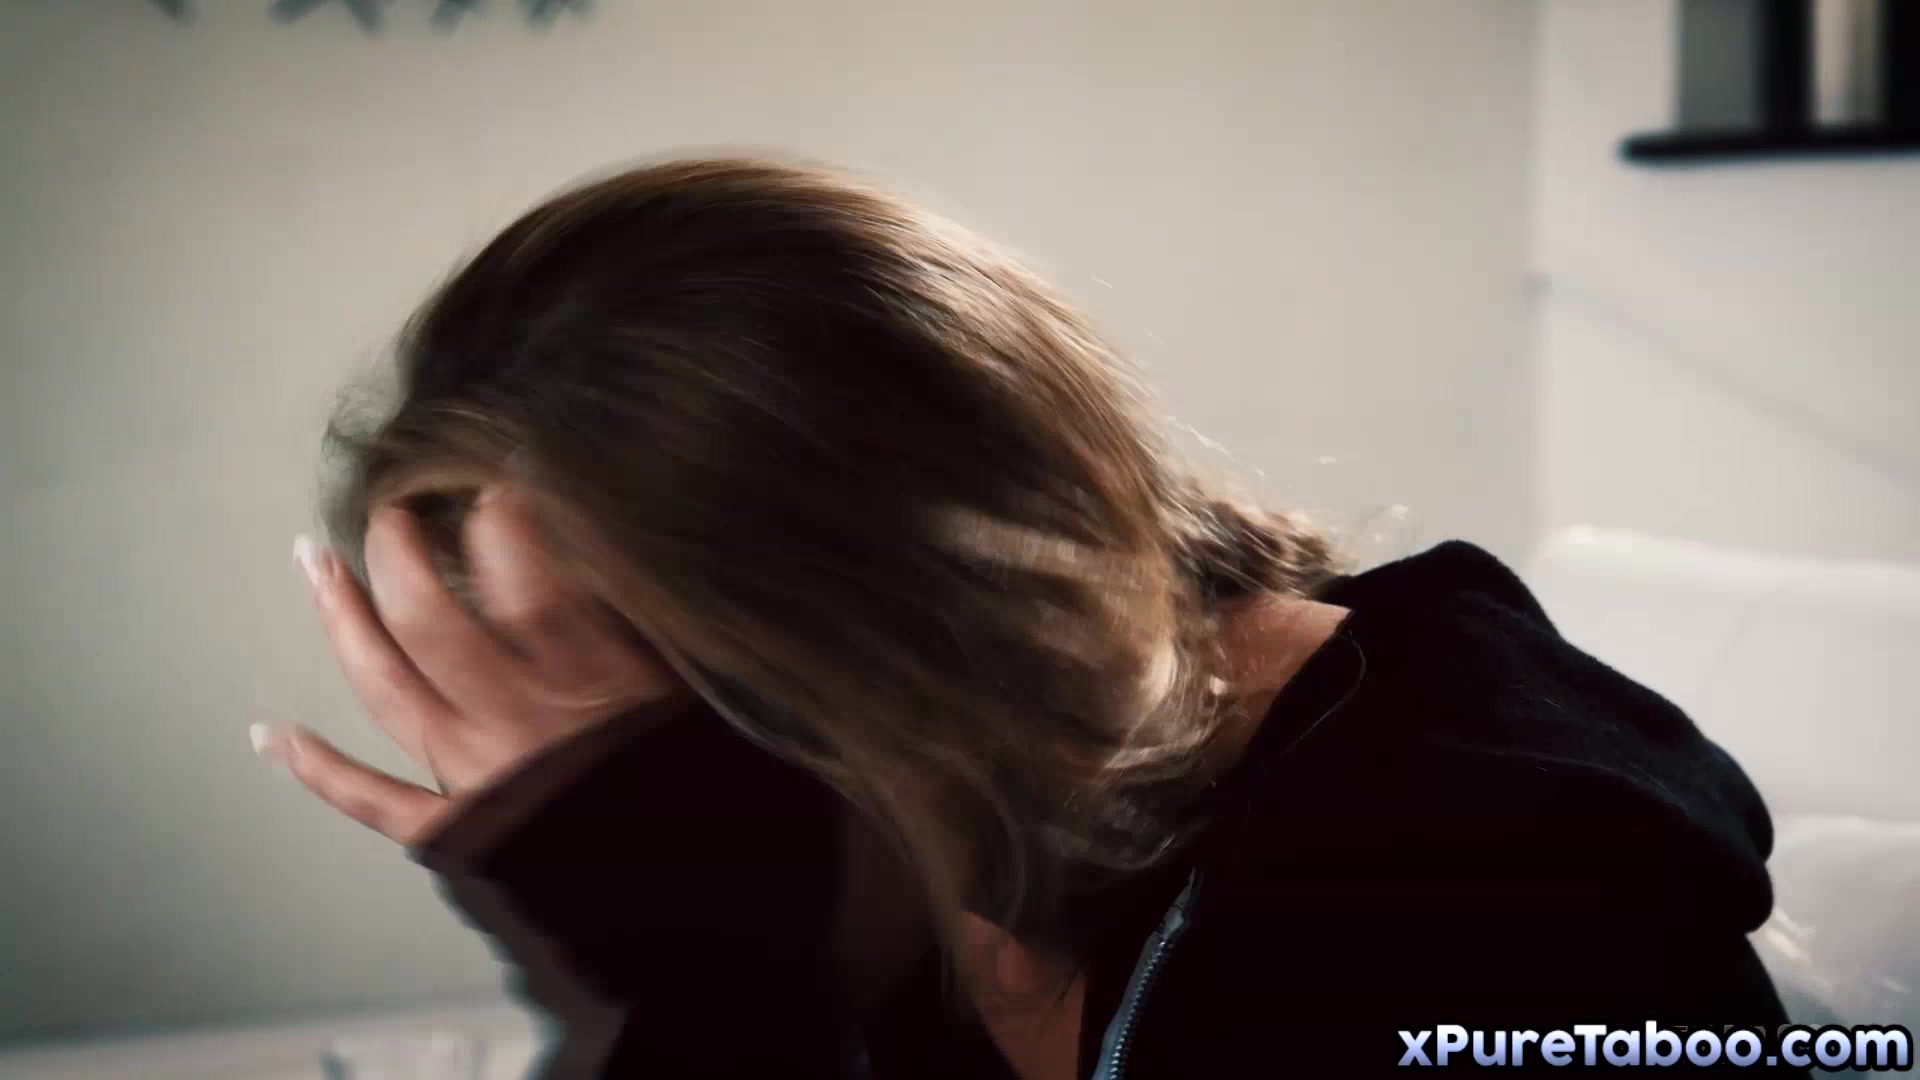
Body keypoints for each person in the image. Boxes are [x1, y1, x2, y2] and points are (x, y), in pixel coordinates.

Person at [251, 158, 1798, 1078]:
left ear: (898, 634)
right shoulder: (976, 829)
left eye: (649, 720)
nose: (632, 819)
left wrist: (702, 986)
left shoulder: (1505, 899)